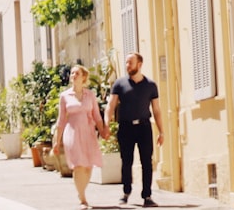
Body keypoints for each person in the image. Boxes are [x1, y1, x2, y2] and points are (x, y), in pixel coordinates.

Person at [105, 52, 164, 208]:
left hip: (144, 127)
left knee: (147, 162)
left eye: (130, 62)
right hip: (125, 127)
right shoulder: (119, 84)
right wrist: (106, 124)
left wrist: (161, 131)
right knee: (126, 161)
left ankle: (147, 195)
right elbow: (110, 106)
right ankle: (126, 192)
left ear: (139, 64)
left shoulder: (150, 85)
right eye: (126, 62)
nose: (127, 65)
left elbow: (157, 110)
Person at [54, 64, 110, 210]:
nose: (74, 75)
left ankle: (81, 192)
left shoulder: (90, 95)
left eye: (77, 73)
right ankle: (83, 199)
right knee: (78, 165)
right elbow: (61, 121)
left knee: (88, 165)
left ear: (83, 77)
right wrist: (56, 142)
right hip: (71, 133)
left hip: (88, 133)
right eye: (72, 73)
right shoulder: (64, 96)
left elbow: (97, 117)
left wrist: (103, 131)